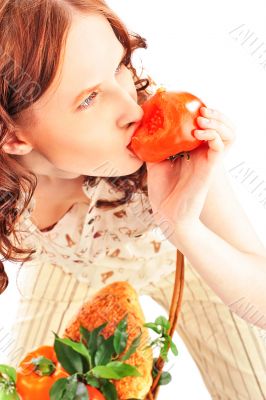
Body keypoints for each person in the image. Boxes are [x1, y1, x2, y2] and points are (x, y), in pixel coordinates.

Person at [0, 1, 265, 399]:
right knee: (26, 388)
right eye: (89, 99)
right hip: (72, 272)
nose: (131, 108)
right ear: (13, 137)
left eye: (120, 66)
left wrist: (186, 228)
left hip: (184, 259)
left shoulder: (176, 143)